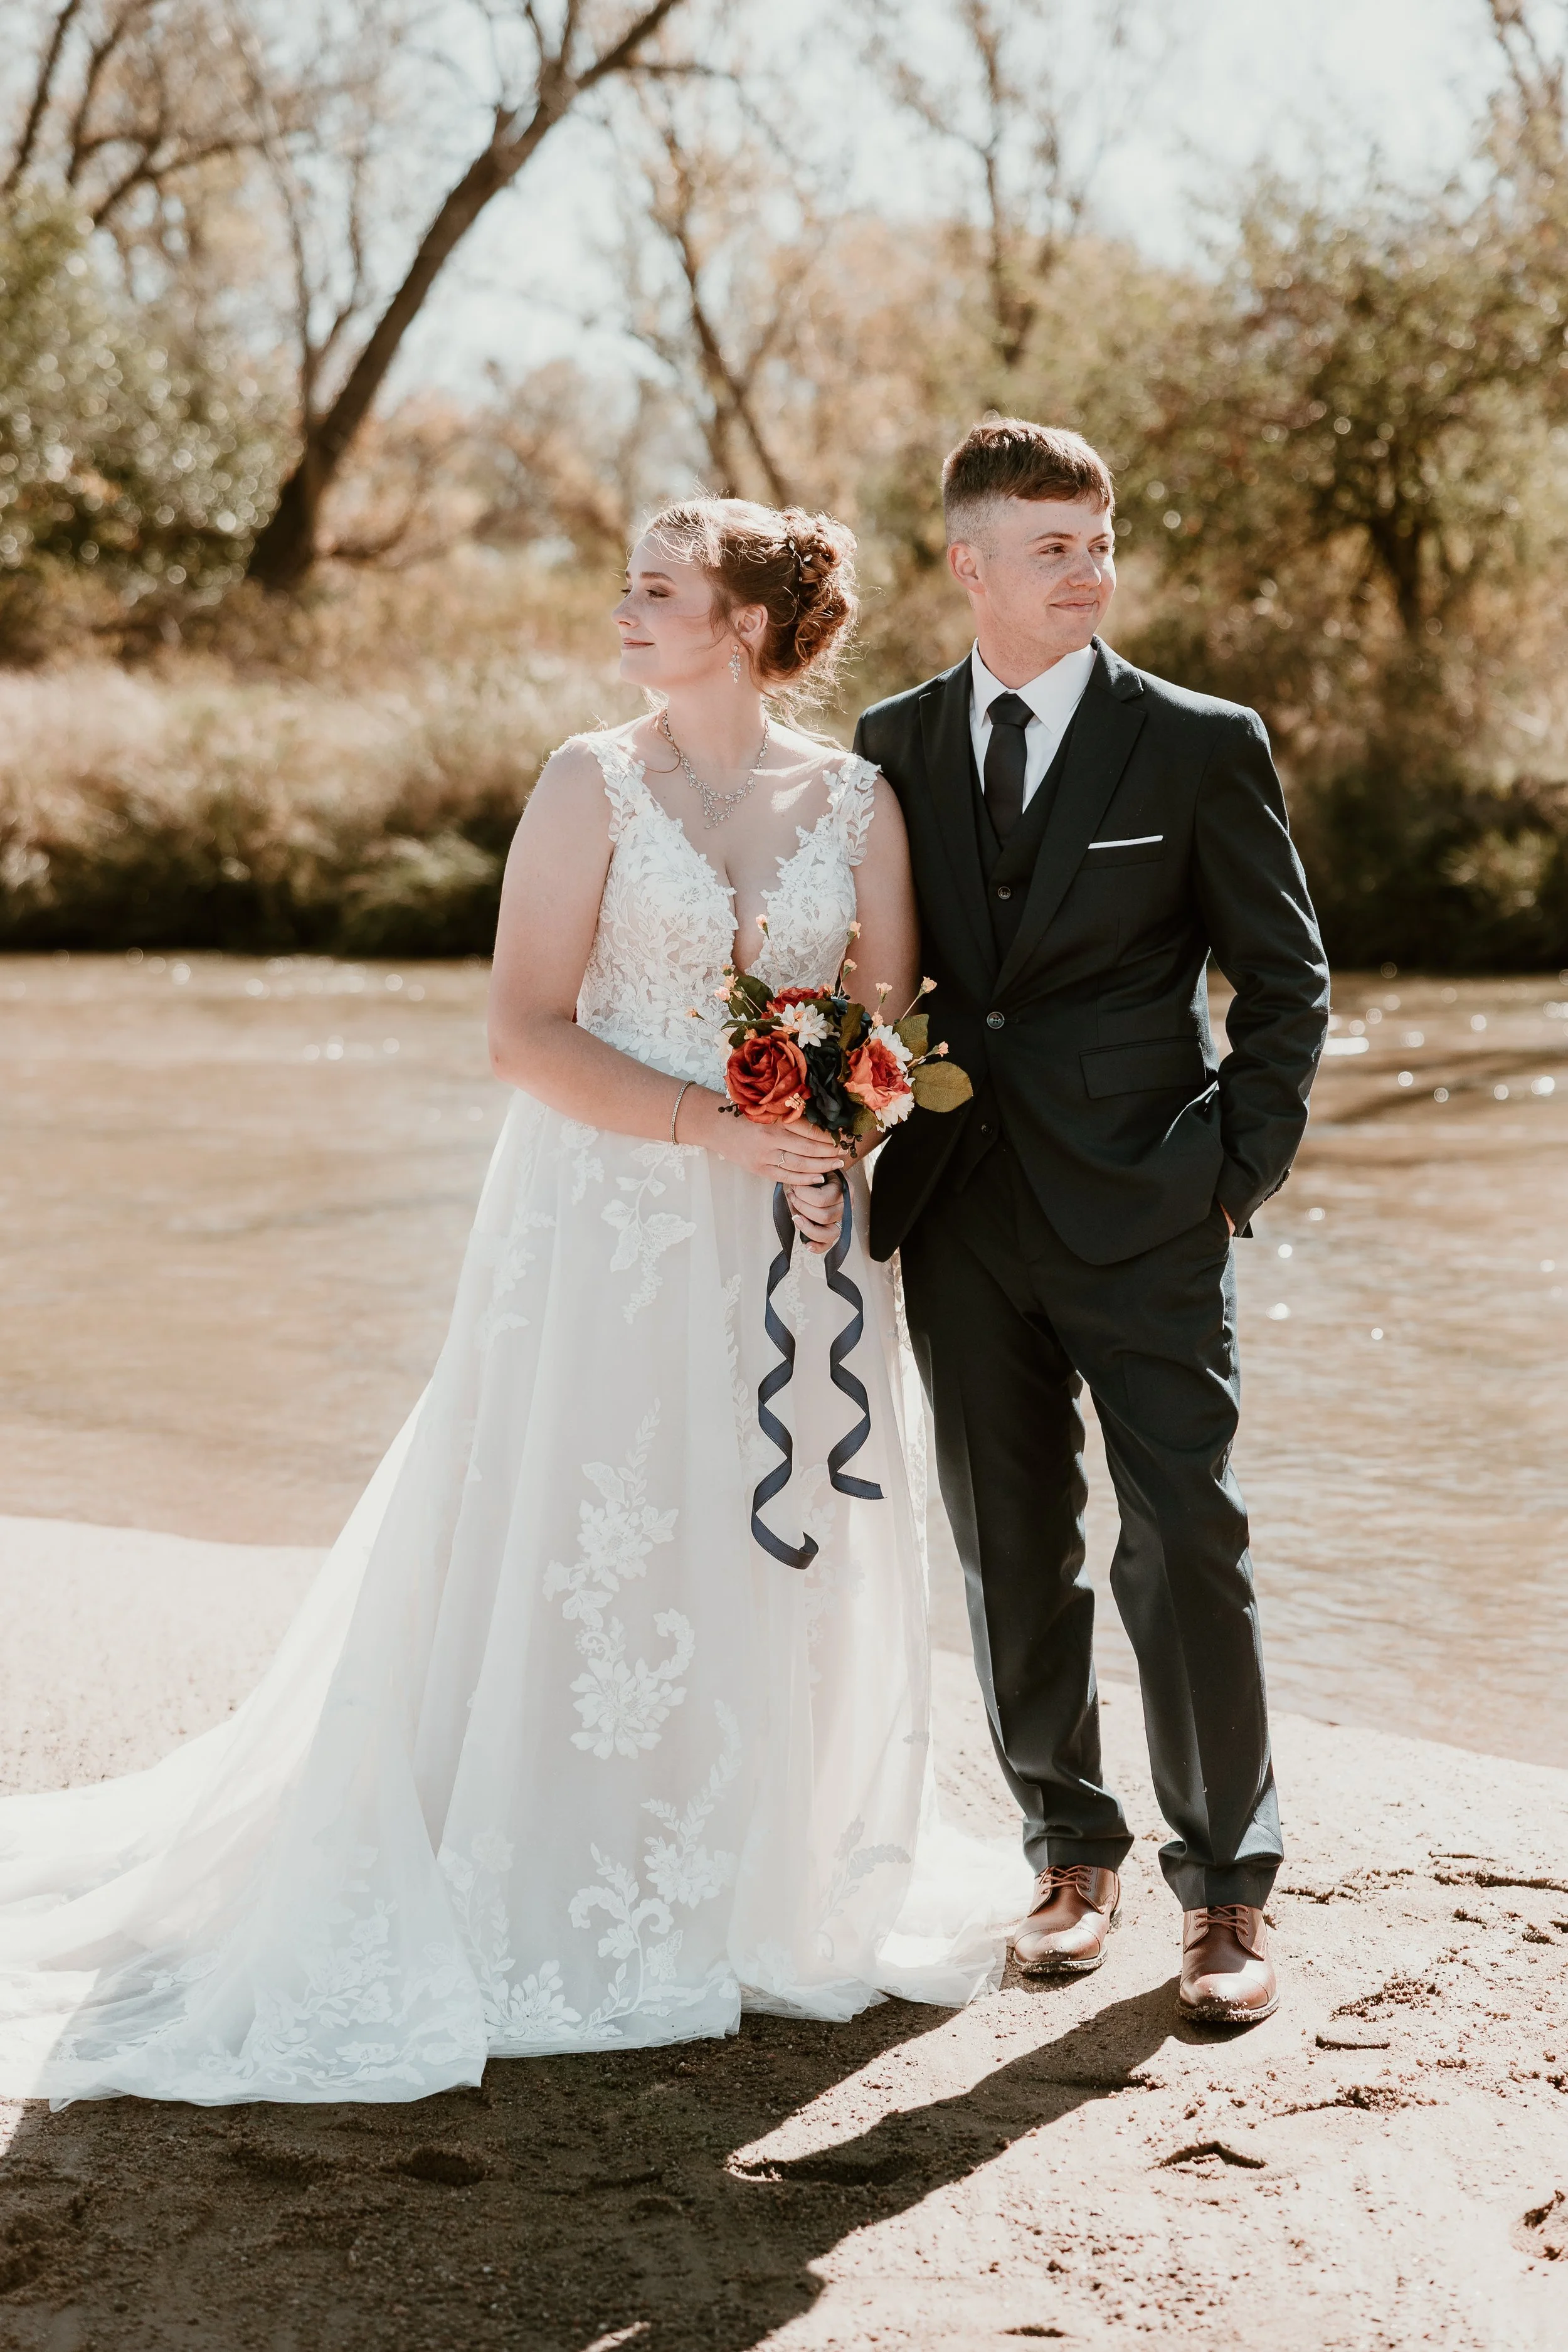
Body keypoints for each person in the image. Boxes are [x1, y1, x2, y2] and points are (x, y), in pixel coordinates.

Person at [0, 498, 1022, 2107]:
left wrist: (835, 1134)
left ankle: (755, 1876)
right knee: (592, 1518)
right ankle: (560, 1865)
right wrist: (710, 1128)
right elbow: (523, 1035)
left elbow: (884, 1021)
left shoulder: (860, 800)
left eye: (659, 589)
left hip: (791, 1229)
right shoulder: (586, 782)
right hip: (607, 1215)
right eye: (629, 583)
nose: (626, 610)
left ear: (746, 626)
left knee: (766, 1532)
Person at [847, 417, 1330, 2025]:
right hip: (960, 1211)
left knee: (1185, 1533)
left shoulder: (1198, 742)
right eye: (1051, 548)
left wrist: (1228, 1170)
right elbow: (879, 977)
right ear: (966, 563)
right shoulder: (892, 742)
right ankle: (1067, 1851)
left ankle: (1227, 1895)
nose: (1088, 572)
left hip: (1147, 1206)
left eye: (1099, 542)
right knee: (1008, 1546)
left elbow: (1285, 977)